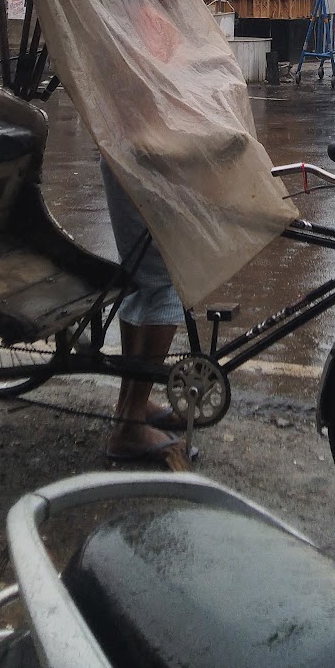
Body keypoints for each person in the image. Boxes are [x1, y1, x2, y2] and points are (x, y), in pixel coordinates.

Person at [102, 161, 187, 464]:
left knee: (142, 279)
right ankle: (129, 428)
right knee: (165, 282)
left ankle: (131, 406)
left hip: (139, 165)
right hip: (141, 166)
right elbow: (153, 129)